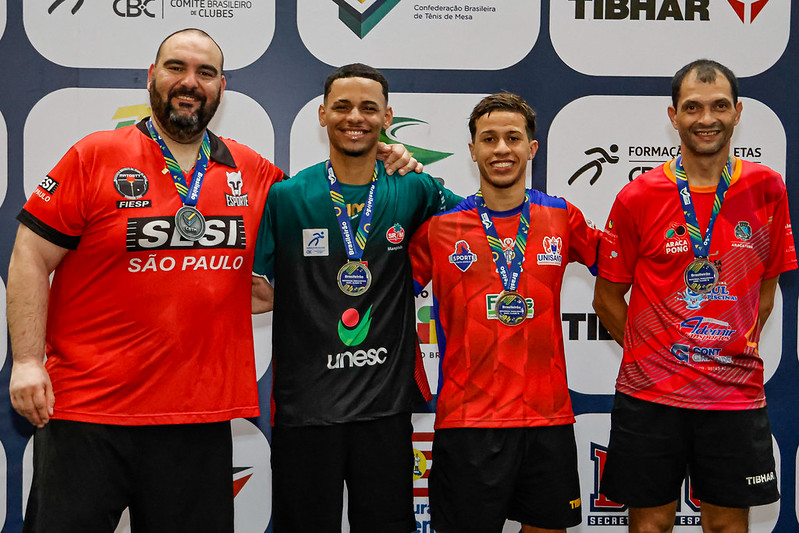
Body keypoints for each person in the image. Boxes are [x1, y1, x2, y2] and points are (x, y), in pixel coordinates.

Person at [7, 30, 417, 533]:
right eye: (176, 67)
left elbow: (329, 215)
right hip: (87, 412)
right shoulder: (96, 154)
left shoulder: (254, 172)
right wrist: (27, 361)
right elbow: (30, 254)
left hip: (199, 418)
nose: (190, 82)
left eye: (205, 73)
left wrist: (389, 164)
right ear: (152, 76)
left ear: (221, 87)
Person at [251, 63, 461, 532]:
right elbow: (253, 290)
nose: (355, 117)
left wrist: (414, 164)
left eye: (369, 108)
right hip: (306, 411)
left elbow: (475, 227)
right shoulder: (287, 196)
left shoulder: (414, 188)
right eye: (342, 106)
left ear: (388, 117)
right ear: (322, 115)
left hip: (384, 410)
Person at [593, 59, 796, 532]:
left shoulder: (766, 188)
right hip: (651, 395)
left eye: (719, 106)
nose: (707, 118)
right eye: (693, 107)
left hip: (734, 394)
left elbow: (765, 290)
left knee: (726, 526)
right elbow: (606, 298)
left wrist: (727, 349)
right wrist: (653, 356)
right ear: (674, 116)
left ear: (738, 112)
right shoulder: (639, 195)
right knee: (651, 525)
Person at [409, 92, 600, 533]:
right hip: (468, 421)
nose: (501, 149)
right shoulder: (439, 227)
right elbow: (384, 299)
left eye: (513, 138)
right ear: (472, 149)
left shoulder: (561, 217)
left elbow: (621, 267)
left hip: (546, 418)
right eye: (489, 138)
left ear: (532, 148)